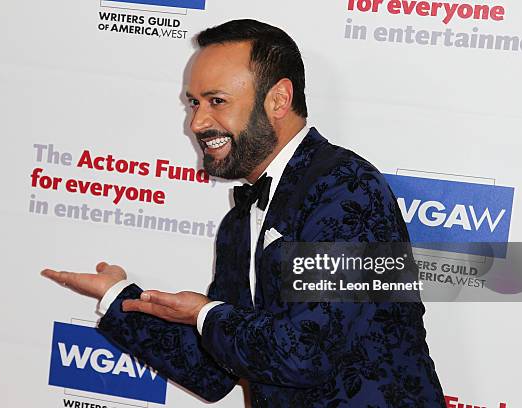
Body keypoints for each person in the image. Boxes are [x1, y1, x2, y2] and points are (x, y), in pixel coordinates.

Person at [42, 19, 446, 407]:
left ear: (278, 100)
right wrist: (116, 297)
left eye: (217, 101)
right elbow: (212, 370)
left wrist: (204, 312)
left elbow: (307, 352)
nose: (197, 122)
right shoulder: (242, 219)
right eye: (194, 103)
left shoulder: (344, 188)